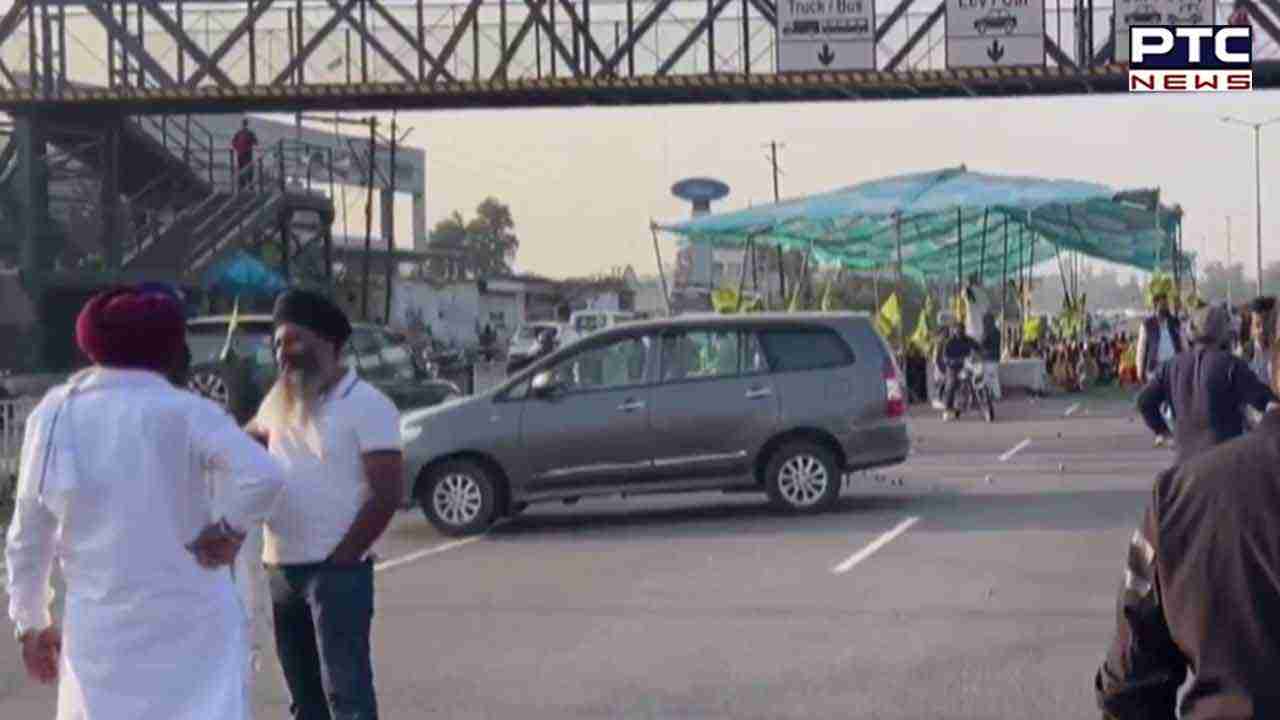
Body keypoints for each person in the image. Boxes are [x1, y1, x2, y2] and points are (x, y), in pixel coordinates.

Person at [6, 286, 284, 720]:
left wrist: (30, 622)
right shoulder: (187, 411)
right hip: (193, 630)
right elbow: (264, 474)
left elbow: (30, 531)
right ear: (169, 350)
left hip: (102, 637)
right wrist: (229, 531)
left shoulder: (56, 414)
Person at [1095, 328, 1280, 720]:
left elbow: (1128, 686)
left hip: (1208, 488)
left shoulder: (1173, 498)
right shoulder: (1230, 366)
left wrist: (1164, 432)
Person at [249, 289, 404, 720]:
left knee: (347, 697)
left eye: (295, 340)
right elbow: (242, 450)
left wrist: (343, 559)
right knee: (305, 701)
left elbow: (387, 494)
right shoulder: (277, 403)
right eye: (278, 344)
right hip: (281, 571)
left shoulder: (368, 405)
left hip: (336, 574)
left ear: (330, 344)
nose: (283, 353)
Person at [1136, 303, 1277, 464]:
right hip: (1225, 461)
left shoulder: (1170, 367)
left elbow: (1144, 401)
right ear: (1223, 332)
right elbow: (1266, 402)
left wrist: (1163, 432)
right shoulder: (1231, 365)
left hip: (1185, 462)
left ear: (1191, 331)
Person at [936, 318, 982, 421]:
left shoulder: (968, 340)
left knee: (976, 378)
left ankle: (975, 402)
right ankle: (947, 409)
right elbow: (945, 357)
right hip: (953, 366)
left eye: (962, 329)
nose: (960, 332)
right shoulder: (949, 342)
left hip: (966, 365)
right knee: (952, 384)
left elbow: (978, 347)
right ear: (954, 331)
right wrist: (951, 361)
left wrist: (983, 353)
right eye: (958, 330)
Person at [1136, 290, 1185, 385]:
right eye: (1162, 304)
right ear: (1155, 305)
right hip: (1154, 369)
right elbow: (1141, 349)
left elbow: (1183, 343)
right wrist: (1140, 370)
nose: (1165, 306)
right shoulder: (1147, 324)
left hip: (1174, 367)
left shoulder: (1175, 322)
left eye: (1166, 303)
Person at [231, 119, 259, 192]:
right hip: (247, 153)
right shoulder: (250, 133)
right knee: (249, 170)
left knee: (241, 169)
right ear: (247, 124)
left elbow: (233, 142)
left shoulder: (238, 133)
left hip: (240, 154)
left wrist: (237, 148)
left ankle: (241, 186)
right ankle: (250, 186)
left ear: (242, 124)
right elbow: (256, 142)